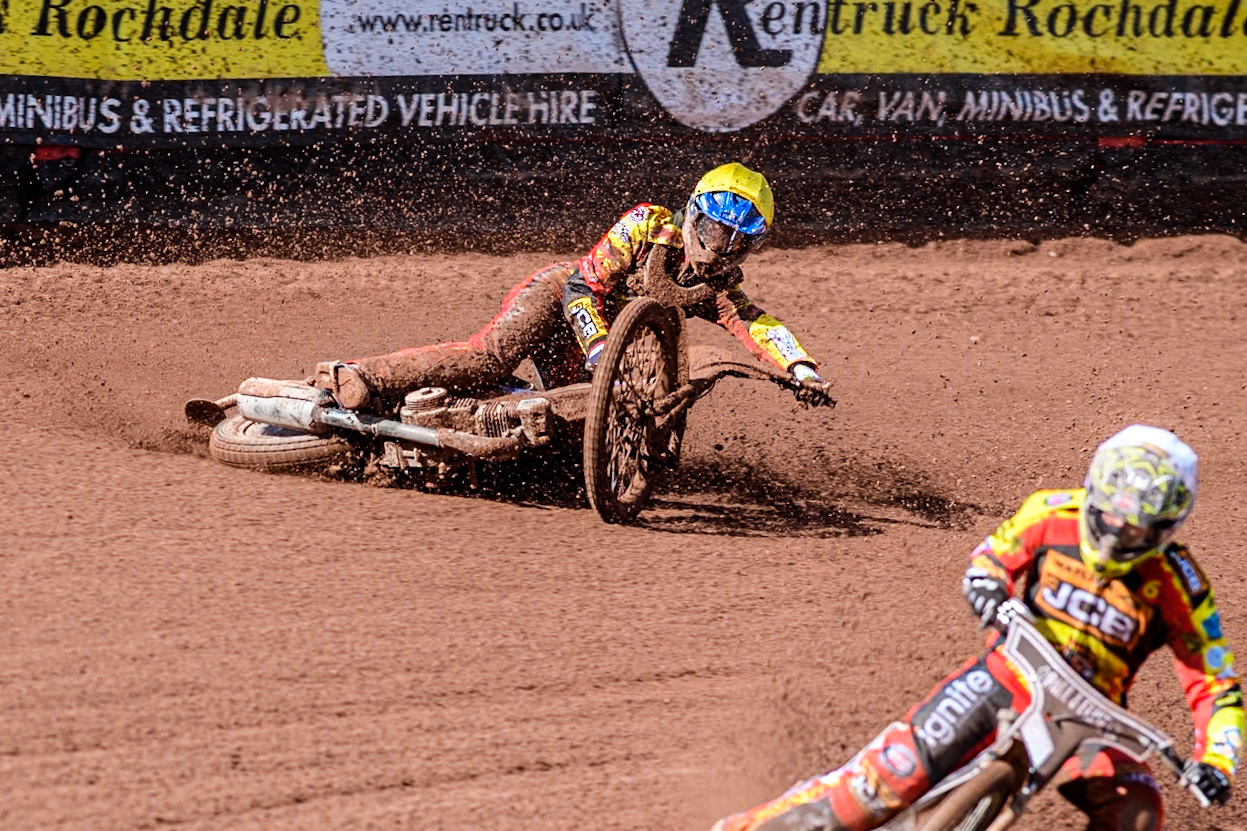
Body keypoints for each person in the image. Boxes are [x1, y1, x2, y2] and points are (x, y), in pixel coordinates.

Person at [713, 424, 1243, 831]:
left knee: (1139, 815)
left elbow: (1216, 685)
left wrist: (1217, 761)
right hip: (1007, 675)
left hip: (1093, 719)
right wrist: (987, 585)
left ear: (1168, 525)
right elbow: (992, 556)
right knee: (880, 785)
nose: (1116, 537)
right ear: (1095, 492)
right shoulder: (1050, 513)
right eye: (1110, 518)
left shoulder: (1182, 584)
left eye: (1136, 529)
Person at [311, 162, 833, 410]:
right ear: (695, 215)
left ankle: (489, 409)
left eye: (738, 244)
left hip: (596, 348)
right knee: (488, 355)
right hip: (562, 295)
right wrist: (601, 347)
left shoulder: (718, 286)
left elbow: (757, 325)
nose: (721, 250)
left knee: (568, 416)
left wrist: (800, 367)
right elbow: (583, 288)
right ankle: (360, 374)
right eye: (717, 232)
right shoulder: (648, 224)